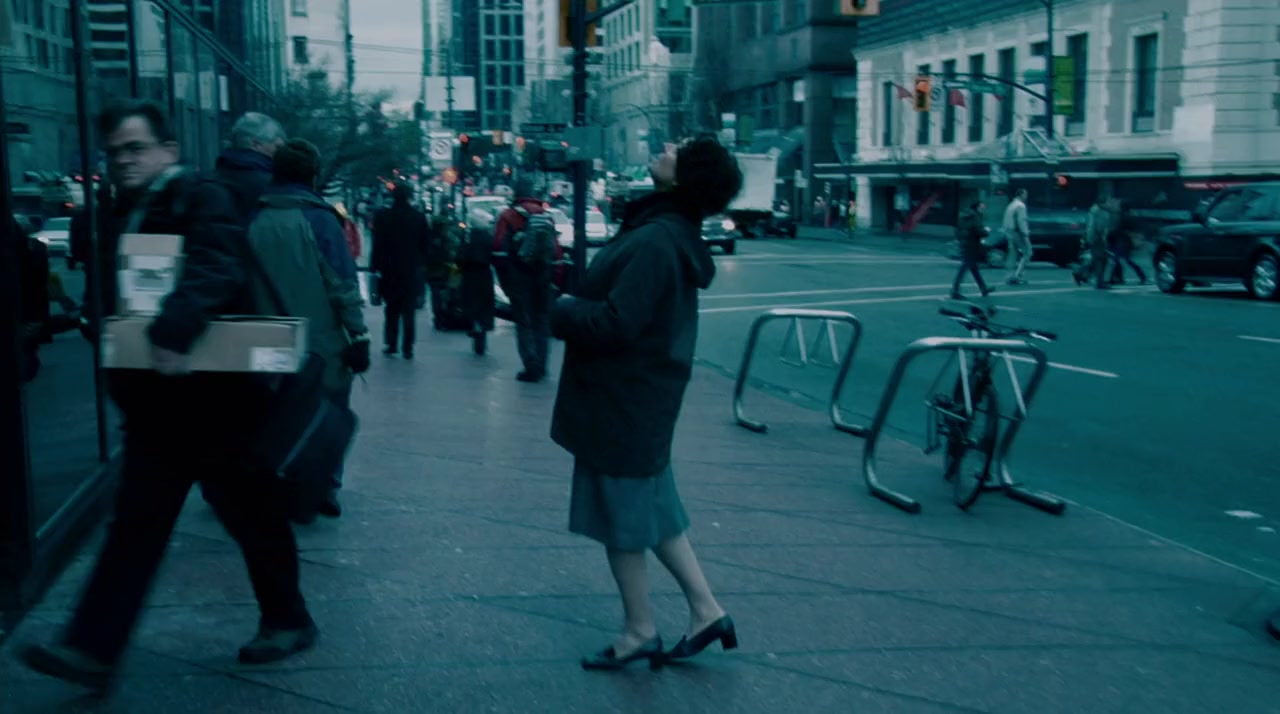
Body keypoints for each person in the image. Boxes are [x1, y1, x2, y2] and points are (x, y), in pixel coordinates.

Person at [18, 100, 316, 694]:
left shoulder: (200, 197)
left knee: (250, 515)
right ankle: (91, 649)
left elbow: (217, 267)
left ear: (168, 151)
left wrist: (172, 333)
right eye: (115, 153)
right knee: (136, 525)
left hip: (218, 402)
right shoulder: (120, 209)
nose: (124, 161)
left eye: (136, 148)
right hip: (158, 406)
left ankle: (288, 619)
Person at [550, 138, 742, 671]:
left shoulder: (658, 238)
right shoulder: (665, 230)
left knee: (621, 520)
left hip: (624, 401)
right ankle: (706, 611)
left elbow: (618, 322)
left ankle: (639, 630)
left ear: (683, 178)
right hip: (640, 397)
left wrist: (562, 310)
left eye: (679, 151)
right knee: (655, 512)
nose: (667, 147)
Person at [246, 138, 370, 519]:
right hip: (320, 342)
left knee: (274, 412)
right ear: (313, 176)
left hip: (266, 339)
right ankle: (324, 485)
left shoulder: (253, 219)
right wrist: (359, 333)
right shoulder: (321, 220)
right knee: (327, 408)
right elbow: (342, 283)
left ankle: (276, 483)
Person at [493, 178, 561, 382]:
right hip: (543, 275)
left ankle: (530, 365)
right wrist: (555, 277)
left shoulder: (508, 216)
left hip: (519, 275)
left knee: (524, 321)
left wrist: (505, 279)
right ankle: (542, 363)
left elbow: (498, 248)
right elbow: (556, 251)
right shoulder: (546, 216)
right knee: (542, 320)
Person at [370, 184, 429, 358]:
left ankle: (391, 343)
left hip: (389, 269)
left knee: (391, 308)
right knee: (409, 310)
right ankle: (408, 346)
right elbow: (425, 245)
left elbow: (377, 244)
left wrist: (375, 266)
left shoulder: (383, 217)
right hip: (411, 269)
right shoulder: (418, 217)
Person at [216, 112, 286, 219]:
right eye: (277, 147)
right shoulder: (274, 185)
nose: (281, 152)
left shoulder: (210, 178)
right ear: (255, 144)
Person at [950, 199, 991, 300]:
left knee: (973, 268)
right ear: (977, 207)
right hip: (972, 245)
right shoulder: (975, 216)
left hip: (965, 243)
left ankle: (983, 288)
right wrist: (986, 231)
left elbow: (958, 230)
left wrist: (961, 240)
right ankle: (955, 290)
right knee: (964, 267)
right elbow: (978, 231)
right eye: (982, 206)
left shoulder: (964, 215)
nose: (983, 208)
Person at [1107, 200, 1147, 286]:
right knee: (1124, 260)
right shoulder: (1128, 216)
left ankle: (1115, 278)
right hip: (1124, 241)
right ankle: (1140, 276)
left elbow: (1119, 229)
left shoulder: (1124, 217)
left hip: (1122, 241)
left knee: (1117, 259)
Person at [1077, 194, 1112, 289]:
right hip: (1098, 238)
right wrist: (1101, 237)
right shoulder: (1099, 211)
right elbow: (1098, 226)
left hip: (1095, 237)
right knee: (1100, 260)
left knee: (1098, 260)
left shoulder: (1096, 210)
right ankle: (1099, 282)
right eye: (1108, 201)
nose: (1110, 203)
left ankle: (1080, 273)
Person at [1002, 188, 1032, 285]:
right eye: (1025, 194)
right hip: (1018, 233)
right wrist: (1025, 233)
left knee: (1012, 254)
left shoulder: (1011, 205)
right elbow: (1021, 221)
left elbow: (1005, 220)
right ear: (1021, 195)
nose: (1026, 196)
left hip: (1010, 232)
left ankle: (1009, 276)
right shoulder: (1021, 206)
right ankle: (1017, 276)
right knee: (1027, 253)